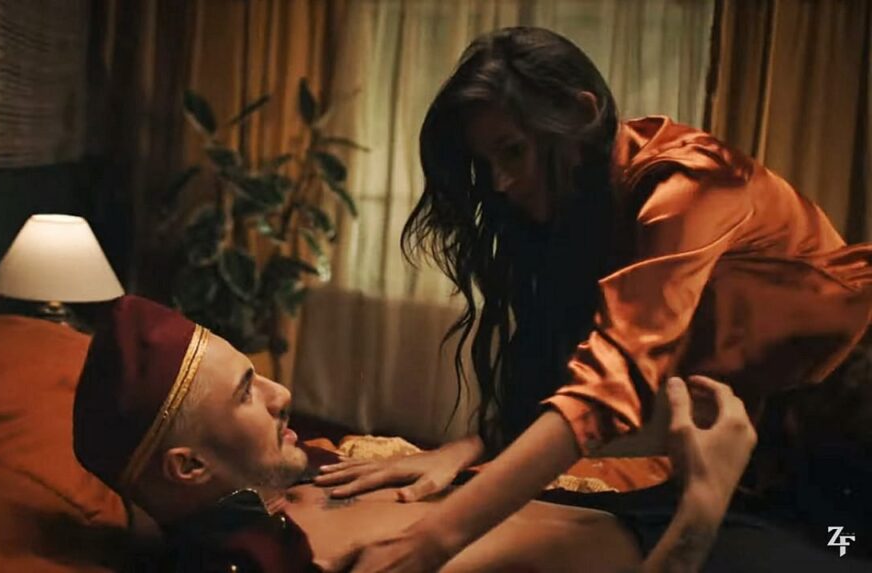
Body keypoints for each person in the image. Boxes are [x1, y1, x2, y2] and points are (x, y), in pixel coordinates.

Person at [317, 26, 871, 571]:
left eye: (513, 152)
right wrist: (465, 449)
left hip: (854, 409)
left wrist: (432, 540)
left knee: (841, 551)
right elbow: (574, 373)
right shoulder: (589, 204)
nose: (501, 182)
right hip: (765, 443)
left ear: (582, 112)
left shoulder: (691, 184)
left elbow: (612, 381)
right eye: (488, 165)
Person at [72, 295, 764, 572]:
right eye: (247, 393)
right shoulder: (274, 561)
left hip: (652, 512)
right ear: (189, 467)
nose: (282, 395)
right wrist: (703, 504)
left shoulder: (292, 476)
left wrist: (461, 450)